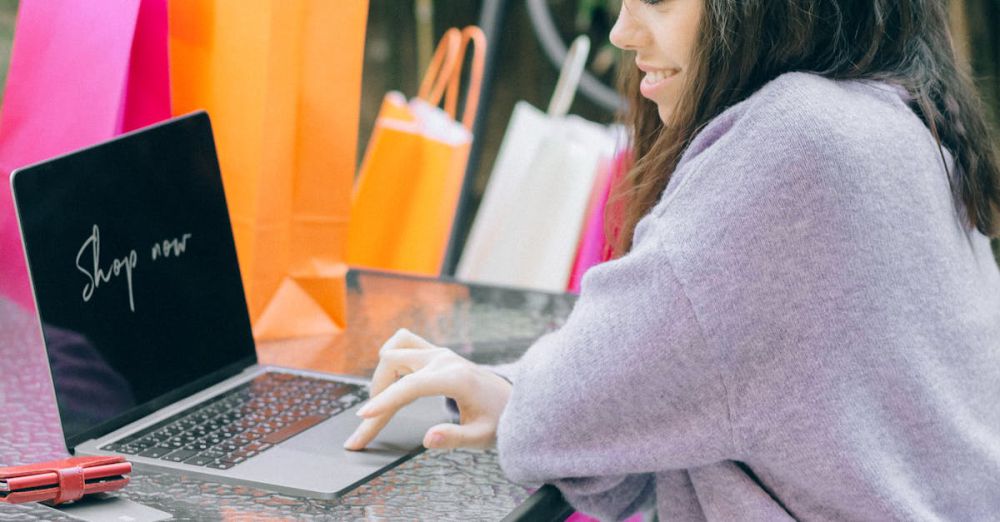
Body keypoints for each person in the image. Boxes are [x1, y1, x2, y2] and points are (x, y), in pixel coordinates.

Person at [345, 0, 1000, 519]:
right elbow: (628, 428)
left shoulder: (795, 143)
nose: (624, 33)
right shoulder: (901, 121)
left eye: (656, 0)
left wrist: (514, 396)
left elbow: (574, 415)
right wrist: (519, 396)